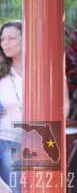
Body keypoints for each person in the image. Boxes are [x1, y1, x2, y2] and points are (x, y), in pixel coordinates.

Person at [0, 22, 23, 193]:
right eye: (2, 39)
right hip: (6, 140)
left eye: (11, 38)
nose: (5, 43)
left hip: (37, 139)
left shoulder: (42, 69)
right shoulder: (2, 73)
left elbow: (63, 102)